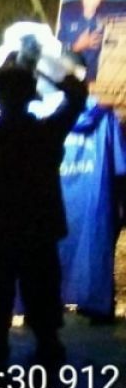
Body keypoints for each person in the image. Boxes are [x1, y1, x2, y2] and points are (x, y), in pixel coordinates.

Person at [0, 63, 88, 365]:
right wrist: (44, 69)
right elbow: (77, 96)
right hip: (38, 228)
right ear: (32, 97)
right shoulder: (47, 134)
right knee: (42, 291)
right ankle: (48, 347)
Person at [55, 93, 126, 323]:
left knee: (48, 255)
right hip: (96, 202)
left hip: (53, 203)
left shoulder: (40, 112)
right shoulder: (105, 116)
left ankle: (47, 307)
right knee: (95, 253)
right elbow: (120, 168)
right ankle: (96, 305)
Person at [58, 0, 126, 81]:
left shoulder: (109, 13)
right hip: (68, 77)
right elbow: (55, 54)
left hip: (95, 80)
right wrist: (77, 46)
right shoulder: (65, 13)